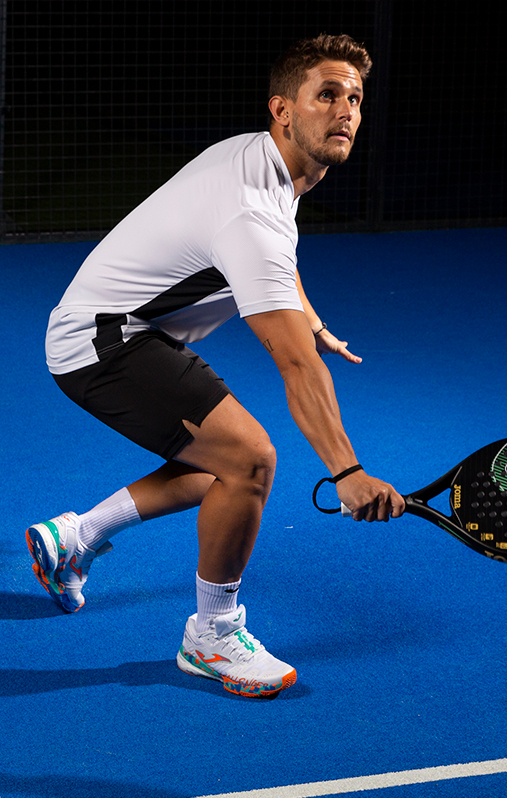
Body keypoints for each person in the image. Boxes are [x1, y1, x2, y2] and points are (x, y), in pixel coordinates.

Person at [25, 33, 405, 698]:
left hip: (123, 327)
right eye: (326, 96)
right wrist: (347, 472)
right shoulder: (250, 209)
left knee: (221, 468)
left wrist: (311, 319)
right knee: (250, 460)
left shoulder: (265, 163)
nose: (344, 110)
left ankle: (76, 537)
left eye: (354, 98)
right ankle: (212, 638)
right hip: (101, 342)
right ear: (283, 109)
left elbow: (277, 258)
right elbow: (294, 366)